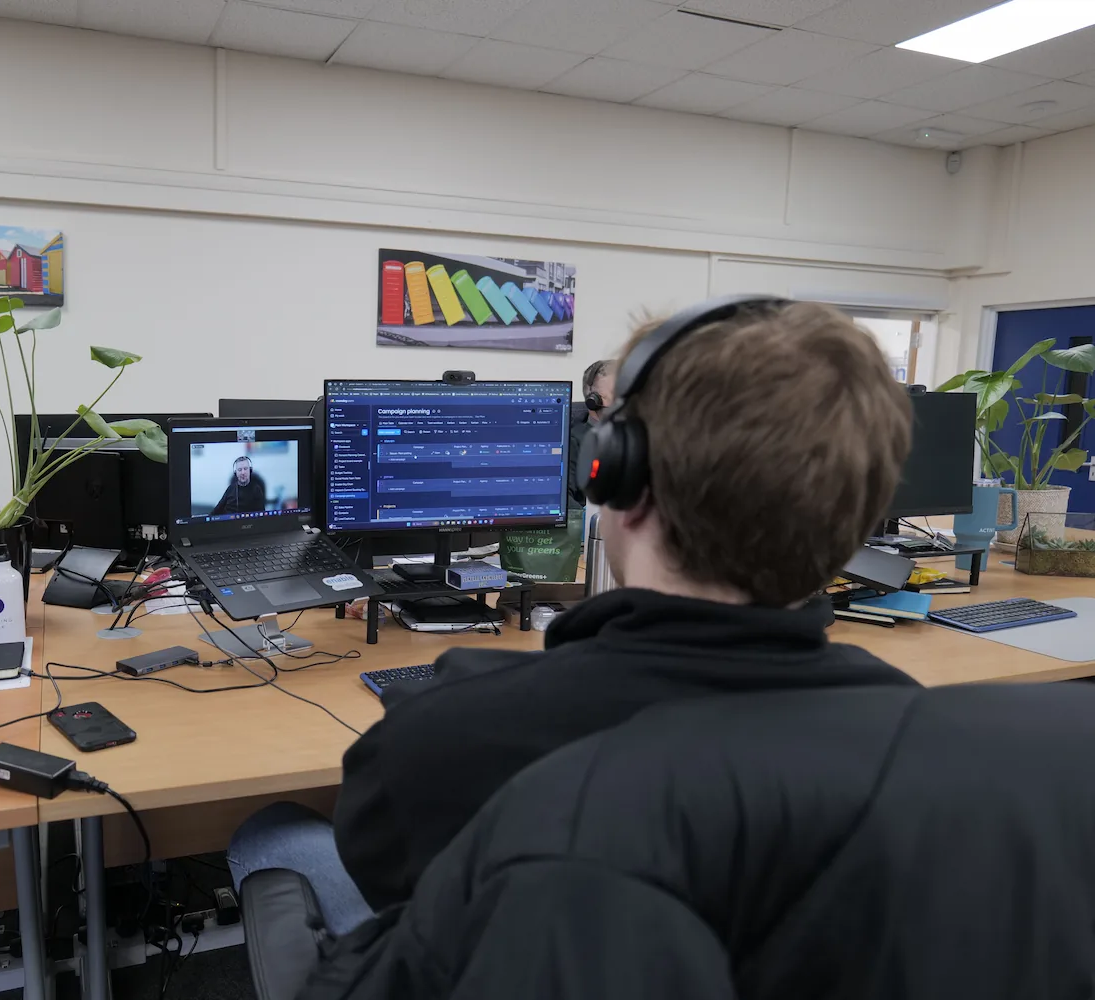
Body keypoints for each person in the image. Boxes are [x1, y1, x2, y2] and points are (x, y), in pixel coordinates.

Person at [228, 298, 917, 937]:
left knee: (276, 834)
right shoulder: (915, 729)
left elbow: (390, 882)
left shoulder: (451, 731)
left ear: (614, 474)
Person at [568, 358, 615, 505]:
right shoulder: (573, 441)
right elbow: (563, 499)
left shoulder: (635, 437)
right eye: (616, 393)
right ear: (593, 400)